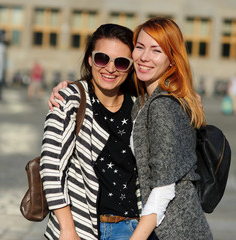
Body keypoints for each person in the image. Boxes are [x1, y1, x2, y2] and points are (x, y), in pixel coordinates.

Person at [40, 23, 152, 240]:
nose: (110, 68)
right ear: (90, 59)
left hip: (131, 229)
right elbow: (51, 167)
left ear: (130, 67)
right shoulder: (70, 99)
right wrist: (67, 228)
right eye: (102, 58)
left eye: (120, 62)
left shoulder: (140, 106)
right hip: (80, 227)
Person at [128, 17, 212, 240]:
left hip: (174, 230)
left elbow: (163, 188)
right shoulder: (147, 100)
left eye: (156, 50)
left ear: (172, 61)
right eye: (140, 47)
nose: (144, 57)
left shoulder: (163, 106)